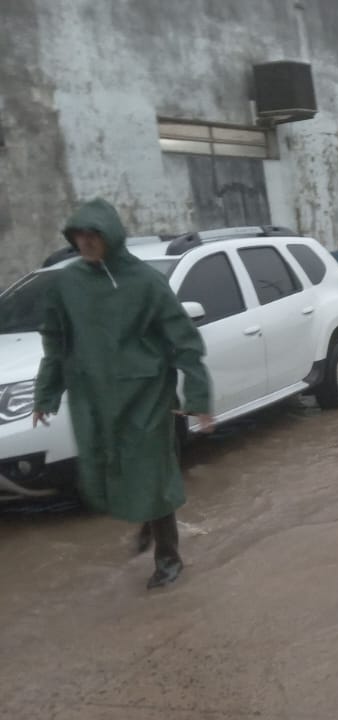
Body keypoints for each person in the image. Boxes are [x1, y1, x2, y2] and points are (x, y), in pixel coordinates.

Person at [33, 198, 214, 589]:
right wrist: (45, 394)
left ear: (110, 236)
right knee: (106, 470)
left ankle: (169, 558)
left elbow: (184, 339)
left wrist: (199, 398)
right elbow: (56, 342)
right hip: (95, 398)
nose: (85, 242)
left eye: (92, 234)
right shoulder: (67, 285)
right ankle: (149, 521)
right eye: (78, 235)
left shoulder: (147, 282)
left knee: (151, 471)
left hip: (147, 395)